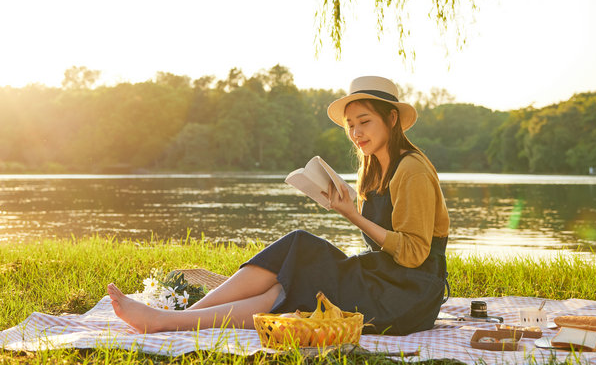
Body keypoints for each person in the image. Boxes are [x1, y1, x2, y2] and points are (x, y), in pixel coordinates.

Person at [108, 75, 450, 335]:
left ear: (391, 119)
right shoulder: (376, 168)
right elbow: (387, 245)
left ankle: (169, 321)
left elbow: (413, 254)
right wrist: (348, 208)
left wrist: (351, 215)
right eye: (351, 125)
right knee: (297, 256)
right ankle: (177, 318)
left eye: (365, 122)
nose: (356, 133)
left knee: (301, 267)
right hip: (386, 279)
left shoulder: (412, 170)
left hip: (408, 297)